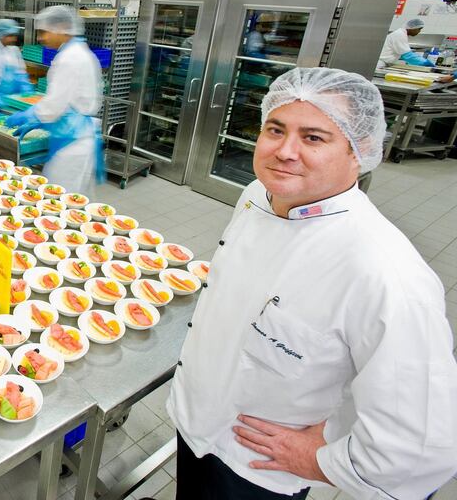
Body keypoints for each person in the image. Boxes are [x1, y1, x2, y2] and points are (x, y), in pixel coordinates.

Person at [166, 67, 457, 500]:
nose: (285, 151)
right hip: (192, 423)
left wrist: (321, 461)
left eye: (314, 138)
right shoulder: (254, 196)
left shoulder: (386, 274)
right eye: (275, 129)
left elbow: (421, 447)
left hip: (257, 470)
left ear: (359, 150)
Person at [5, 6, 104, 196]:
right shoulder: (79, 52)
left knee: (60, 198)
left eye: (44, 32)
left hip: (73, 141)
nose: (41, 38)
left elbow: (54, 105)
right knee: (71, 196)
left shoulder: (70, 58)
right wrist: (38, 117)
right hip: (75, 134)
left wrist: (30, 115)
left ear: (63, 27)